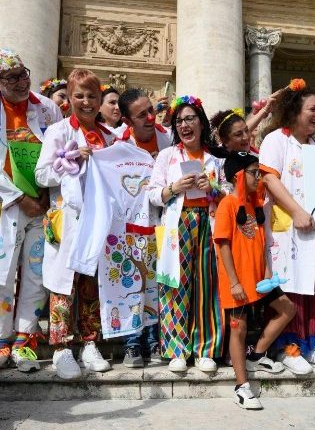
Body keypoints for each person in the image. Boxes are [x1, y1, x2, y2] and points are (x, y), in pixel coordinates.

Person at [0, 48, 61, 377]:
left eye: (24, 74)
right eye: (12, 78)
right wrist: (19, 197)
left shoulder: (47, 108)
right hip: (1, 207)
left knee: (35, 272)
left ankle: (24, 340)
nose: (22, 82)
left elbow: (60, 154)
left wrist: (49, 195)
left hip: (43, 204)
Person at [35, 68, 117, 379]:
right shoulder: (58, 132)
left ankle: (90, 344)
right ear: (69, 99)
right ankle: (61, 349)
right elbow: (42, 175)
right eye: (79, 95)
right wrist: (72, 161)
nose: (86, 101)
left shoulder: (110, 136)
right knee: (63, 284)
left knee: (92, 283)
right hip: (66, 219)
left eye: (92, 96)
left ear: (100, 100)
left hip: (99, 221)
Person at [257, 79, 315, 375]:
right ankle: (288, 347)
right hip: (285, 227)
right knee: (290, 286)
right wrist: (296, 211)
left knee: (314, 286)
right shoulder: (275, 140)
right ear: (295, 111)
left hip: (314, 229)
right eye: (313, 108)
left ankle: (314, 345)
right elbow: (269, 179)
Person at [148, 95, 226, 374]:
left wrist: (213, 188)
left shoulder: (214, 160)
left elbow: (227, 195)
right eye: (179, 120)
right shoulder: (167, 156)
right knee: (174, 286)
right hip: (177, 223)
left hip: (207, 222)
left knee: (208, 285)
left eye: (190, 118)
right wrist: (175, 187)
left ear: (202, 123)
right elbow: (153, 194)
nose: (184, 125)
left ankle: (206, 349)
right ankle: (175, 349)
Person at [214, 152, 296, 409]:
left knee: (287, 309)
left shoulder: (256, 205)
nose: (257, 176)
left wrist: (268, 271)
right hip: (237, 281)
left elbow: (260, 244)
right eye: (253, 172)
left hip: (260, 279)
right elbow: (224, 245)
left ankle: (257, 353)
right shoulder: (227, 204)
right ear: (238, 175)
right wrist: (234, 282)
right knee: (238, 328)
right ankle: (242, 386)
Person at [115, 88, 171, 368]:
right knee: (130, 285)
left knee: (156, 285)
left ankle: (153, 339)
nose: (151, 117)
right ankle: (132, 343)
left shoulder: (169, 139)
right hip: (128, 227)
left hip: (161, 224)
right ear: (126, 120)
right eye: (142, 115)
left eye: (151, 110)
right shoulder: (115, 146)